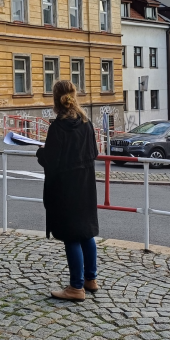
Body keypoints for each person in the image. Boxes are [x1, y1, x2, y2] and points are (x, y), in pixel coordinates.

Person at [36, 80, 99, 302]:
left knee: (71, 235)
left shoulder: (58, 127)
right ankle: (91, 279)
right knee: (86, 232)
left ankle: (76, 287)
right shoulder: (86, 122)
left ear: (55, 100)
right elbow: (95, 153)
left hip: (66, 187)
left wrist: (40, 152)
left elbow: (51, 162)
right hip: (86, 185)